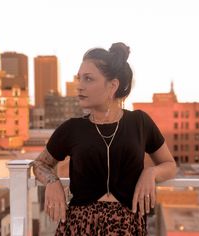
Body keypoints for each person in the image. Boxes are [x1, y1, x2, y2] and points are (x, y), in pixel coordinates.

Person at [33, 42, 176, 235]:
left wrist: (151, 173)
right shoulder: (72, 128)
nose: (79, 86)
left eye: (88, 79)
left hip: (126, 226)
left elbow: (169, 165)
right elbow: (40, 164)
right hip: (79, 226)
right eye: (79, 79)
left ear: (113, 86)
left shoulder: (140, 122)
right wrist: (52, 181)